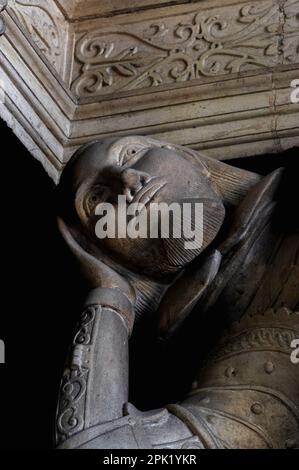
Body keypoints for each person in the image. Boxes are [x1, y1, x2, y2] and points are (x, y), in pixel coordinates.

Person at [55, 136, 299, 449]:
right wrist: (110, 294)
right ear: (103, 252)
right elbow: (101, 451)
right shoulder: (230, 348)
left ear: (188, 156)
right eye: (96, 200)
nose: (127, 180)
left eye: (131, 154)